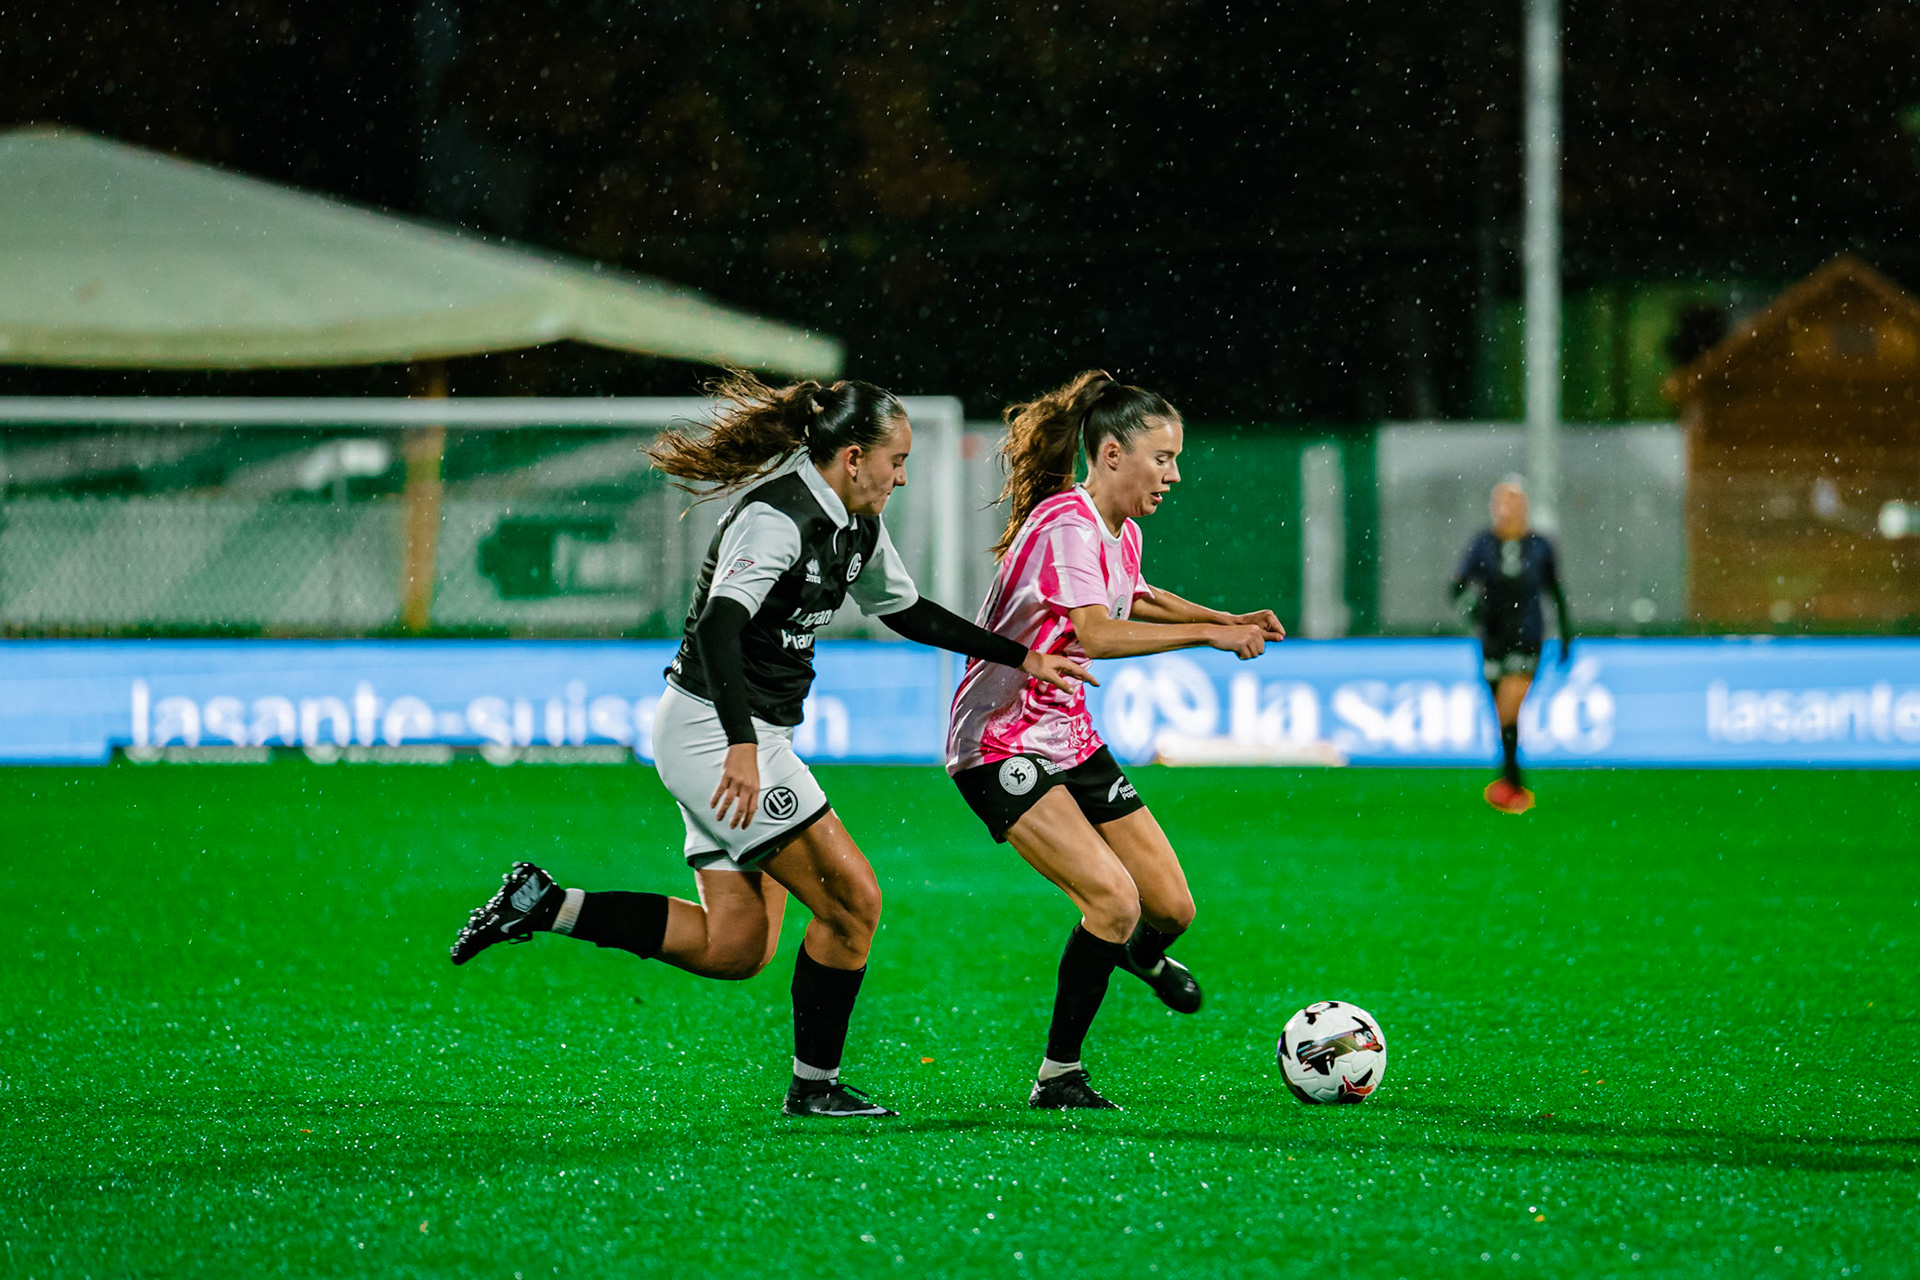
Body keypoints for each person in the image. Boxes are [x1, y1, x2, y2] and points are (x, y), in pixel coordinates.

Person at [449, 373, 1089, 1118]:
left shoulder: (856, 526)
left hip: (743, 735)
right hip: (715, 735)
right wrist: (742, 747)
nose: (902, 475)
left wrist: (1021, 655)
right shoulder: (776, 519)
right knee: (855, 901)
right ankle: (813, 1088)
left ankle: (546, 903)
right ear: (853, 458)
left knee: (736, 946)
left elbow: (906, 610)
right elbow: (721, 626)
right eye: (896, 460)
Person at [944, 370, 1286, 1110]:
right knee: (1112, 899)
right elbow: (1097, 628)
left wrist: (1227, 617)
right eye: (1161, 458)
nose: (1175, 474)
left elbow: (1140, 596)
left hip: (1069, 738)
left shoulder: (1116, 529)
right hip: (1000, 745)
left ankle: (1132, 956)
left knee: (1172, 910)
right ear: (1108, 457)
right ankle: (1058, 1075)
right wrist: (1209, 637)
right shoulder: (1066, 523)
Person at [1449, 477, 1574, 814]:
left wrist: (1566, 637)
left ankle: (1512, 785)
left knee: (1510, 707)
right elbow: (1457, 589)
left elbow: (1555, 594)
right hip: (1491, 641)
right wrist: (1472, 607)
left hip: (1528, 639)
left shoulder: (1540, 547)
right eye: (1502, 503)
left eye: (1514, 503)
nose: (1508, 510)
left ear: (1524, 507)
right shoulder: (1482, 544)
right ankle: (1510, 783)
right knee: (1502, 716)